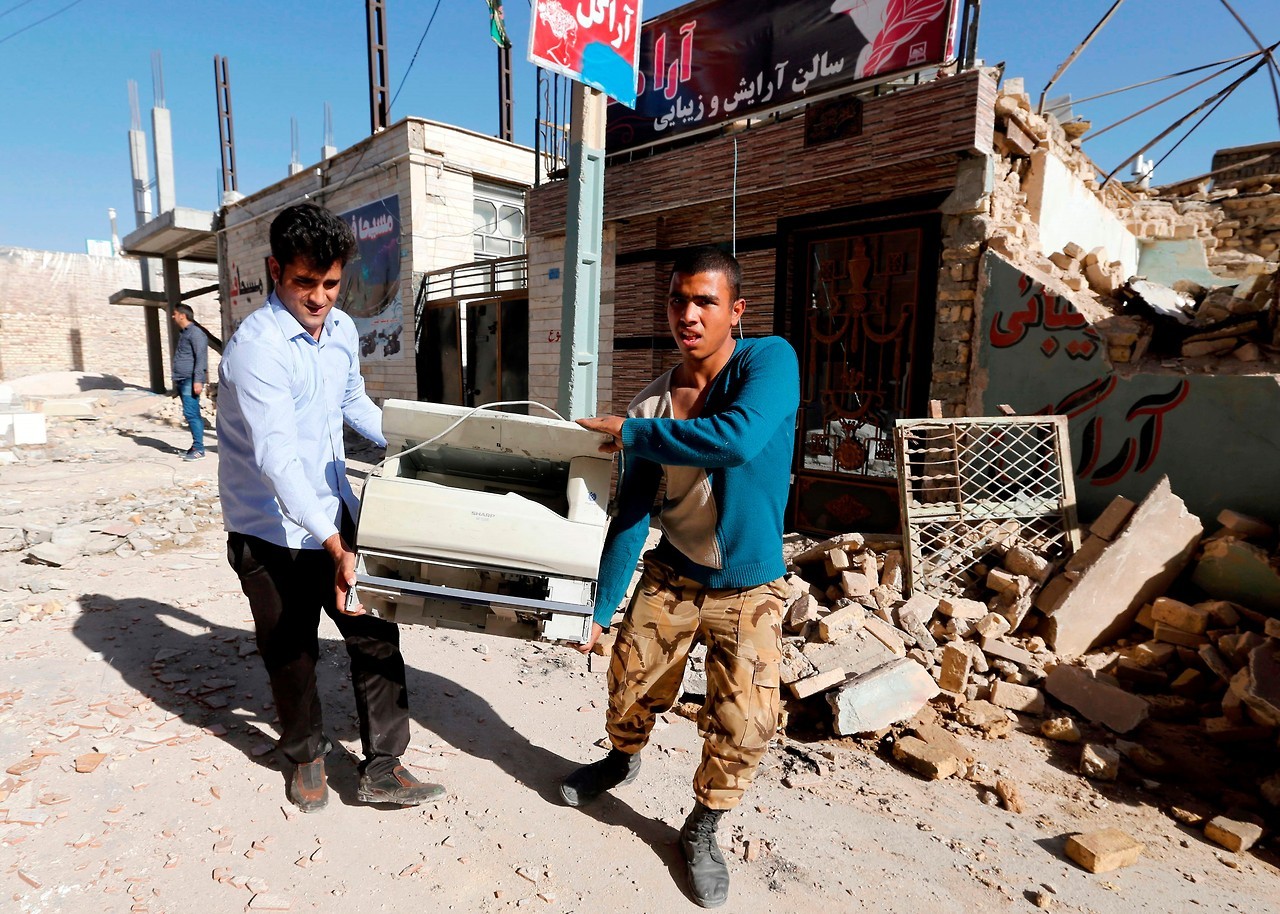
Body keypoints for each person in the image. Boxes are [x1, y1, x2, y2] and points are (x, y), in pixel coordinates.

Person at [564, 247, 799, 908]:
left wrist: (635, 433)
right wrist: (602, 608)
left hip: (751, 585)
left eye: (705, 302)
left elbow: (736, 440)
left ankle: (702, 828)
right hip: (674, 575)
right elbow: (633, 514)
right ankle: (621, 758)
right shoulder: (652, 404)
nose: (688, 315)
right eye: (677, 301)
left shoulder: (769, 362)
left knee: (748, 720)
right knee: (628, 684)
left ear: (736, 311)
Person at [216, 203, 444, 813]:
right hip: (268, 527)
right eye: (304, 283)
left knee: (373, 632)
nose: (319, 298)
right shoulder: (256, 350)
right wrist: (335, 547)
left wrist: (417, 442)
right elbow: (278, 460)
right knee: (292, 651)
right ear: (275, 270)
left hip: (333, 505)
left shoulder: (341, 329)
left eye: (331, 283)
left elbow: (353, 403)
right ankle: (307, 758)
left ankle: (384, 766)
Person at [170, 304, 209, 460]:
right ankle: (195, 447)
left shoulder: (196, 333)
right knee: (189, 413)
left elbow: (201, 358)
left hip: (190, 380)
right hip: (182, 379)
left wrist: (198, 381)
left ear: (182, 315)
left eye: (174, 313)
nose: (173, 317)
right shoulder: (185, 333)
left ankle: (199, 449)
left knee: (192, 413)